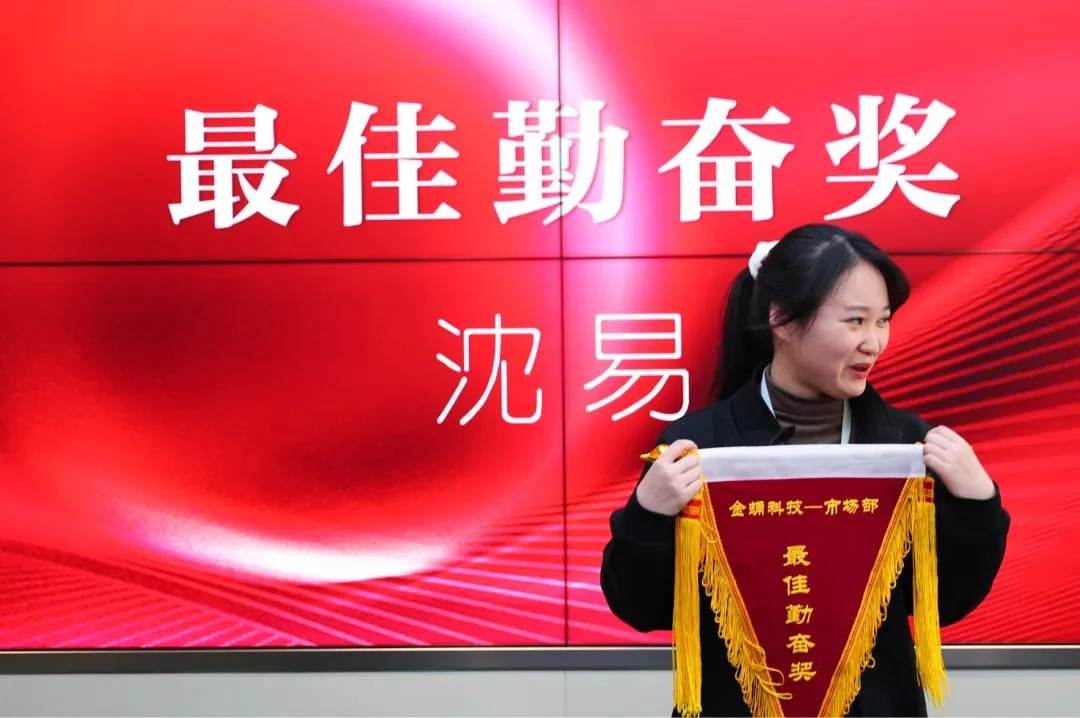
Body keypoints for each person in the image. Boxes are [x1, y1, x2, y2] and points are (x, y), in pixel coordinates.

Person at [600, 223, 1010, 717]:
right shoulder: (697, 448)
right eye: (855, 321)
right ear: (782, 319)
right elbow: (639, 607)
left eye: (882, 321)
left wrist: (978, 504)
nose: (874, 342)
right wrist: (647, 517)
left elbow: (948, 601)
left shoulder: (908, 446)